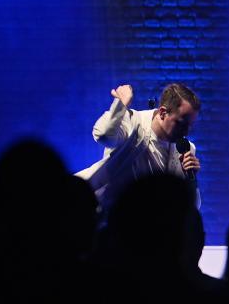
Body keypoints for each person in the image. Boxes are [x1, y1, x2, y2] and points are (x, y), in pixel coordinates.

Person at [76, 83, 201, 211]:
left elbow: (190, 209)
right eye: (181, 124)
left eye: (190, 126)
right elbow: (103, 135)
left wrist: (191, 180)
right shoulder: (133, 122)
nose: (186, 132)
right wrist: (120, 104)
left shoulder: (185, 150)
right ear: (163, 113)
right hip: (89, 206)